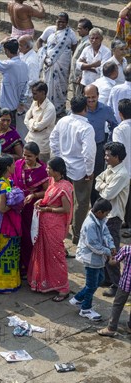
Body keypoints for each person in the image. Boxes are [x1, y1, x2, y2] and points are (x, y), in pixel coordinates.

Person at [50, 96, 96, 245]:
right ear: (85, 109)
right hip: (80, 170)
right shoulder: (86, 128)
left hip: (64, 167)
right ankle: (77, 235)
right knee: (81, 203)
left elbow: (53, 139)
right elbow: (88, 153)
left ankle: (63, 229)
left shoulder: (63, 121)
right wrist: (89, 171)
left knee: (65, 199)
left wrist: (58, 157)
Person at [27, 156, 73, 298]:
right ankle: (43, 282)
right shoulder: (52, 181)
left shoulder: (64, 187)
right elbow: (48, 198)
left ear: (57, 171)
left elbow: (65, 209)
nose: (46, 169)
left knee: (56, 256)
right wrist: (41, 200)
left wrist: (48, 210)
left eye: (49, 168)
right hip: (45, 223)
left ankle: (63, 288)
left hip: (55, 226)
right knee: (44, 254)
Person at [70, 198, 116, 321]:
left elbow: (106, 233)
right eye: (106, 213)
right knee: (91, 285)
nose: (106, 216)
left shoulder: (100, 220)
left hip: (98, 258)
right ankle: (85, 309)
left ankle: (78, 298)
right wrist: (108, 252)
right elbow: (93, 245)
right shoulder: (90, 224)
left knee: (99, 279)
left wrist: (111, 246)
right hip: (90, 258)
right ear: (100, 212)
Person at [95, 142, 129, 297]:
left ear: (117, 157)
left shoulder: (122, 174)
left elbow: (107, 195)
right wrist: (104, 185)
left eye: (109, 155)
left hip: (113, 217)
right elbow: (97, 181)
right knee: (104, 248)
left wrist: (103, 185)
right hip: (105, 216)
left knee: (112, 251)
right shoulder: (110, 169)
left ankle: (117, 284)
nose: (105, 158)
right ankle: (107, 278)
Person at [11, 142, 49, 277]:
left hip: (31, 208)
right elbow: (12, 180)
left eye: (30, 156)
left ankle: (30, 266)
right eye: (24, 155)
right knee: (17, 234)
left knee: (29, 237)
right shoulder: (18, 164)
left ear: (37, 156)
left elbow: (47, 191)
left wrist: (33, 195)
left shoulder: (42, 170)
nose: (26, 159)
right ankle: (18, 263)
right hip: (17, 205)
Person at [0, 155, 23, 293]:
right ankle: (2, 283)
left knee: (8, 253)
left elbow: (10, 195)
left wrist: (15, 197)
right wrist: (16, 204)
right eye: (13, 165)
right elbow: (2, 208)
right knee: (5, 252)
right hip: (4, 225)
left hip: (6, 223)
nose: (15, 167)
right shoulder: (2, 185)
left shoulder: (6, 182)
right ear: (8, 167)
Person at [37, 13, 78, 116]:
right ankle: (46, 108)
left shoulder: (70, 33)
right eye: (59, 21)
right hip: (49, 64)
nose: (60, 23)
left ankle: (59, 110)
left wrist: (71, 62)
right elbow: (40, 41)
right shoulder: (49, 30)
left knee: (61, 86)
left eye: (63, 22)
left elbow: (74, 48)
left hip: (63, 66)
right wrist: (43, 55)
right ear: (56, 20)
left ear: (67, 23)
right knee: (47, 84)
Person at [84, 84, 118, 204]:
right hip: (82, 149)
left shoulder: (105, 109)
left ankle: (94, 204)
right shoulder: (80, 110)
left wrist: (109, 142)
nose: (91, 100)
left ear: (98, 96)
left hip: (98, 147)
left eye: (93, 97)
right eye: (88, 97)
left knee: (97, 176)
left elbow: (114, 125)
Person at [0, 38, 28, 125]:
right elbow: (25, 87)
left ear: (6, 51)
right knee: (11, 131)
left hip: (6, 106)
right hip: (15, 105)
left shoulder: (8, 64)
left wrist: (0, 44)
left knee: (3, 131)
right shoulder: (24, 65)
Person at [98, 244, 131, 336]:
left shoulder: (127, 249)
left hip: (125, 284)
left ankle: (111, 328)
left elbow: (113, 262)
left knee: (118, 304)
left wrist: (109, 257)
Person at [24, 81, 55, 162]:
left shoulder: (50, 108)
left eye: (35, 93)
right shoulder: (34, 102)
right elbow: (26, 118)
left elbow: (39, 126)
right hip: (30, 140)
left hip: (42, 146)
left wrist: (30, 121)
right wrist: (33, 124)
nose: (32, 96)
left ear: (43, 93)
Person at [112, 99, 131, 233]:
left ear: (120, 114)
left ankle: (126, 222)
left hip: (125, 169)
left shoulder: (119, 130)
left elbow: (117, 152)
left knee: (124, 198)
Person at [17, 34, 40, 134]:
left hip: (26, 96)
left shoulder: (32, 61)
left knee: (24, 122)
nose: (18, 47)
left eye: (20, 45)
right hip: (20, 92)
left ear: (27, 46)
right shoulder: (23, 55)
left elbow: (33, 80)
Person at [70, 18, 93, 98]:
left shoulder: (88, 43)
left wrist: (80, 76)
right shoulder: (82, 41)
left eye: (80, 28)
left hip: (79, 76)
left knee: (78, 97)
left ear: (86, 30)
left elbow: (85, 61)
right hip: (75, 74)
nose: (77, 30)